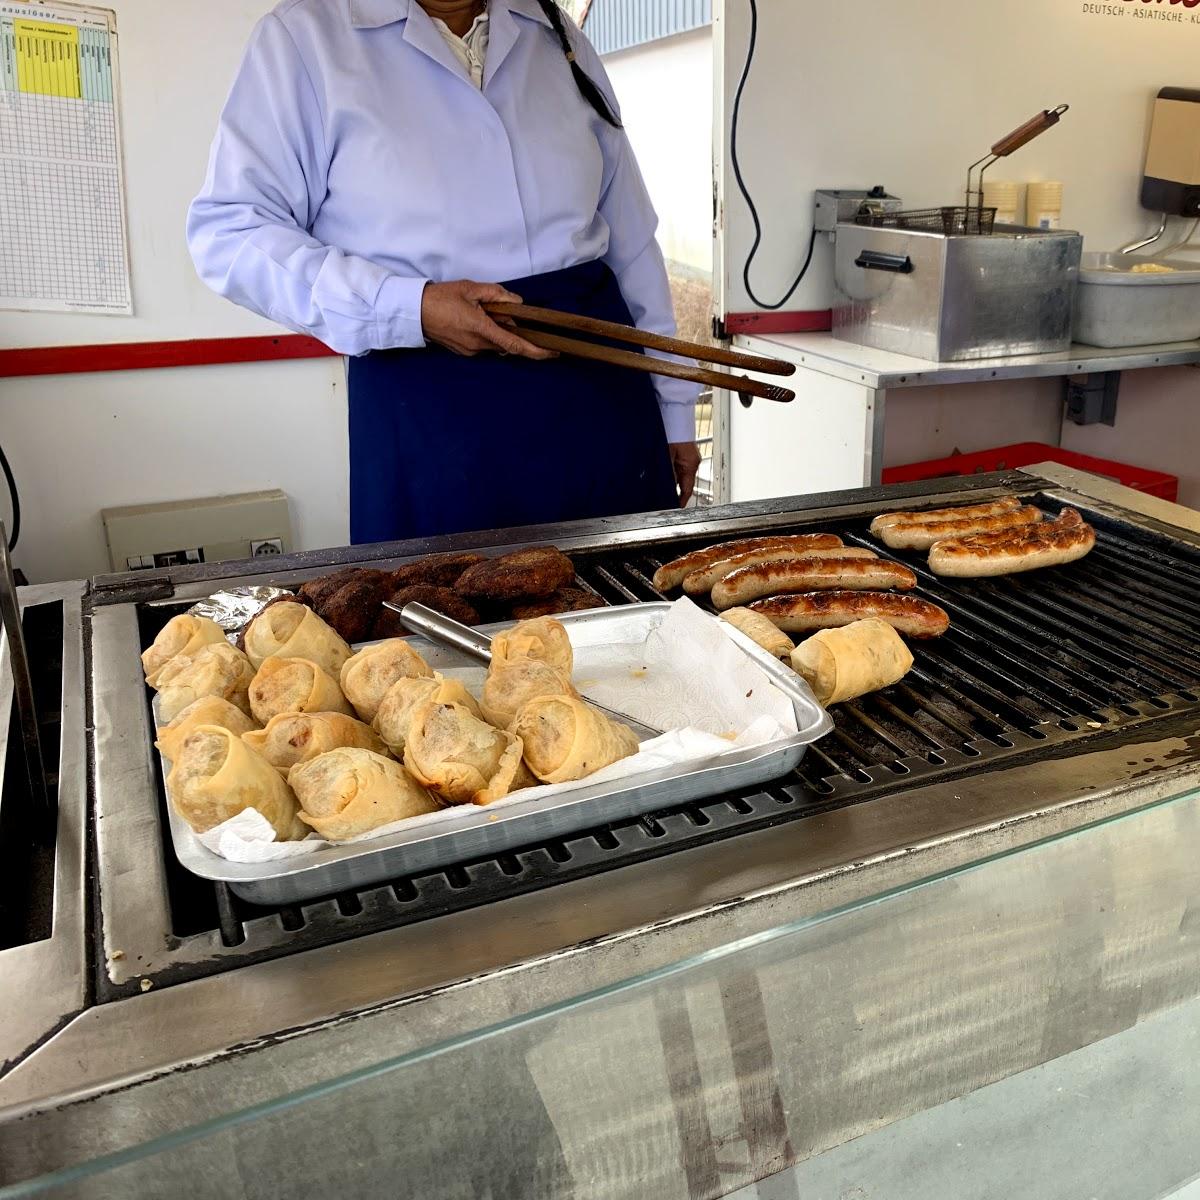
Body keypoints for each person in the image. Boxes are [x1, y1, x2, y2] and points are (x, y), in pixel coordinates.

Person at [187, 0, 701, 545]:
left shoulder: (554, 34)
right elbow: (230, 232)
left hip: (600, 392)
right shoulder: (306, 38)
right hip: (430, 403)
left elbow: (631, 240)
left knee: (625, 587)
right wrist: (407, 307)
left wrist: (674, 410)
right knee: (444, 594)